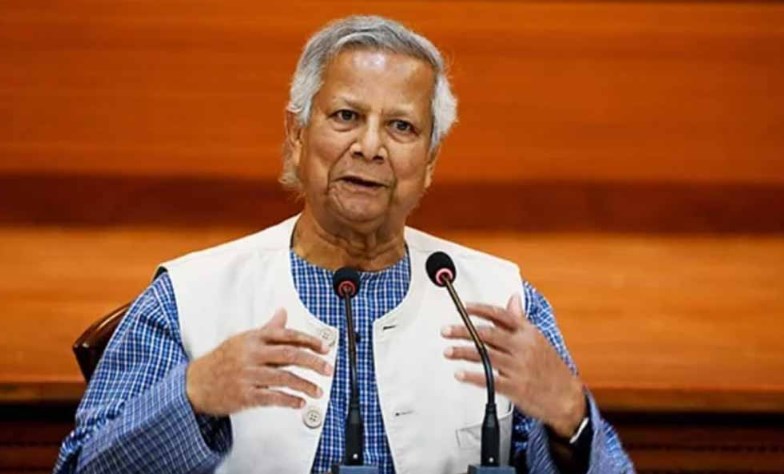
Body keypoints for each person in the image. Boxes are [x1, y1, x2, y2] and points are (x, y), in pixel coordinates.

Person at [54, 15, 634, 473]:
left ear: (430, 161)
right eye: (346, 116)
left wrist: (573, 419)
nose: (371, 146)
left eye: (401, 127)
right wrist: (194, 396)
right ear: (297, 135)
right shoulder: (188, 298)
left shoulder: (501, 302)